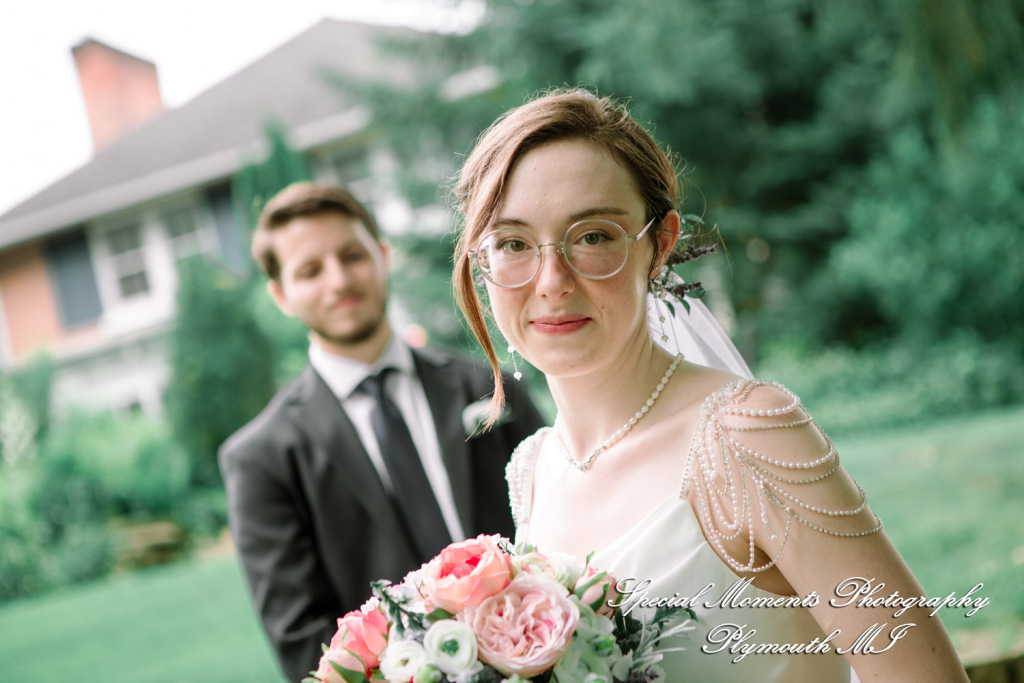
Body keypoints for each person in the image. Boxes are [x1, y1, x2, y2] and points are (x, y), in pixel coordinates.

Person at [451, 89, 969, 681]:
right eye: (513, 243)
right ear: (480, 262)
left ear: (660, 244)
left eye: (593, 236)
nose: (551, 281)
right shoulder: (532, 469)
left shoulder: (746, 436)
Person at [219, 182, 546, 682]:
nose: (338, 280)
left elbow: (559, 525)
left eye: (352, 255)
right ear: (282, 295)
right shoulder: (262, 457)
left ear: (383, 255)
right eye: (310, 270)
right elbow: (305, 644)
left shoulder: (490, 386)